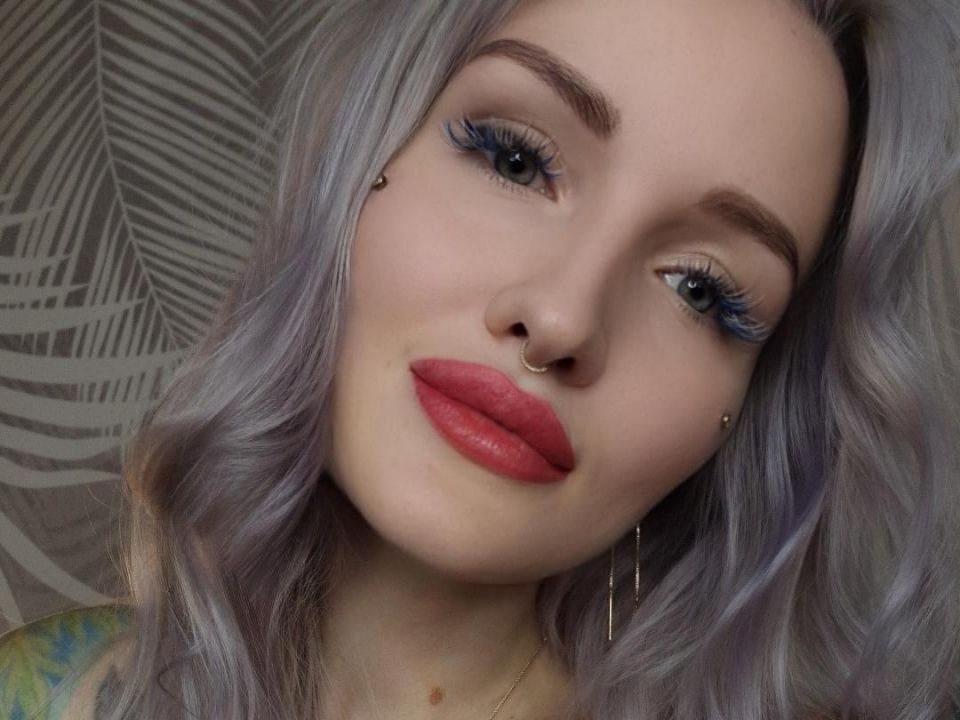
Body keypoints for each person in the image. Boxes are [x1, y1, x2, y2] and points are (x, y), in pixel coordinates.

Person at [3, 0, 959, 718]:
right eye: (514, 159)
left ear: (743, 409)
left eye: (703, 289)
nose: (563, 317)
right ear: (361, 159)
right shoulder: (49, 694)